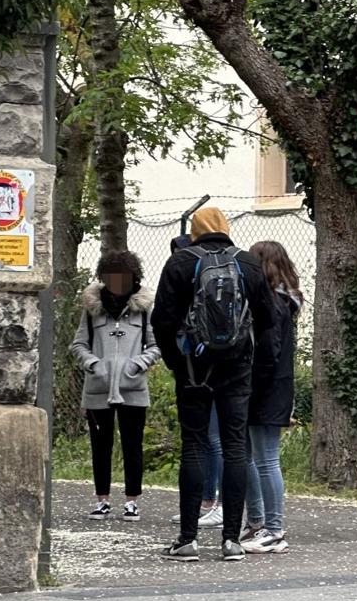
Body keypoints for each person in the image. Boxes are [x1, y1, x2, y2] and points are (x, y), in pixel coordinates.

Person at [153, 207, 275, 561]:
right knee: (236, 447)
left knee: (194, 446)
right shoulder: (248, 262)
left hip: (193, 368)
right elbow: (268, 318)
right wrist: (251, 361)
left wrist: (176, 362)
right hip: (237, 368)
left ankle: (188, 539)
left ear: (195, 230)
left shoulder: (181, 262)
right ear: (225, 228)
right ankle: (232, 541)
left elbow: (162, 320)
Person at [70, 250, 160, 522]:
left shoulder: (144, 310)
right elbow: (78, 345)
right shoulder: (91, 309)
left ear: (134, 277)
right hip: (98, 388)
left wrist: (137, 364)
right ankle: (102, 500)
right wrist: (94, 364)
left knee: (133, 446)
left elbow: (156, 346)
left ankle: (132, 501)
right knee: (101, 445)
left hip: (133, 388)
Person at [241, 241, 302, 554]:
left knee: (264, 459)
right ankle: (258, 523)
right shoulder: (283, 301)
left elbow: (268, 350)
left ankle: (273, 528)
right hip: (272, 385)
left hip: (265, 387)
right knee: (253, 457)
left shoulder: (272, 303)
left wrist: (250, 384)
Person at [168, 233, 225, 531]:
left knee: (210, 441)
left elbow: (165, 322)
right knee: (202, 441)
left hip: (200, 366)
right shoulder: (218, 273)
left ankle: (209, 505)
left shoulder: (203, 280)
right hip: (203, 365)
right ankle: (202, 504)